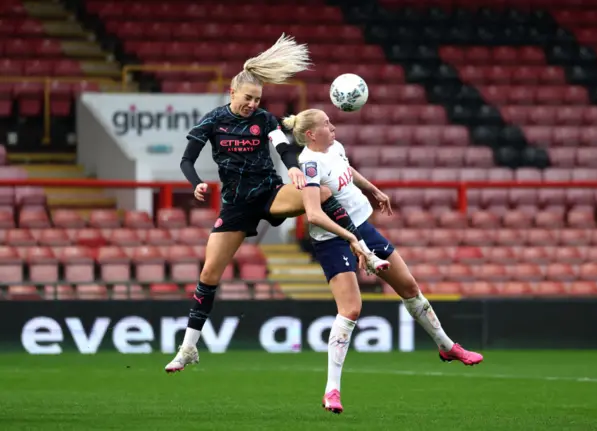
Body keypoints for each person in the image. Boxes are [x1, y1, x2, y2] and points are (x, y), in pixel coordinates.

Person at [164, 34, 389, 373]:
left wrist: (296, 169)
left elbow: (283, 148)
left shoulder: (265, 120)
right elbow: (186, 161)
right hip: (236, 205)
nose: (252, 104)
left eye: (257, 99)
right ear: (232, 92)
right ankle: (188, 348)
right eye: (247, 98)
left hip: (270, 192)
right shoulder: (213, 121)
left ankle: (363, 251)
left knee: (322, 194)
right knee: (209, 273)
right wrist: (195, 184)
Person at [283, 109, 484, 414]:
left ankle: (446, 346)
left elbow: (347, 171)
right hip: (332, 238)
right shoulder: (309, 164)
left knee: (409, 286)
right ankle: (332, 390)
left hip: (363, 226)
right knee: (350, 309)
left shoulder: (334, 148)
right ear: (310, 134)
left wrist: (373, 189)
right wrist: (350, 239)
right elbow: (313, 214)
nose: (333, 126)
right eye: (326, 124)